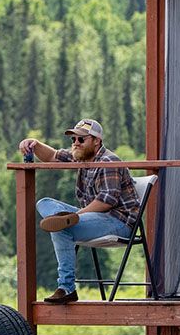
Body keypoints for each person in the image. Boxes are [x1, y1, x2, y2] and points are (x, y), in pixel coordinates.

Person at [18, 118, 141, 304]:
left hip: (118, 222)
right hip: (92, 217)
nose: (76, 143)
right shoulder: (82, 157)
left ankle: (66, 287)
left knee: (61, 228)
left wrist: (77, 216)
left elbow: (106, 202)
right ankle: (61, 219)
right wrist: (34, 145)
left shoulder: (109, 161)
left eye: (81, 140)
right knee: (44, 203)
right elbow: (53, 156)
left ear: (96, 141)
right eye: (73, 139)